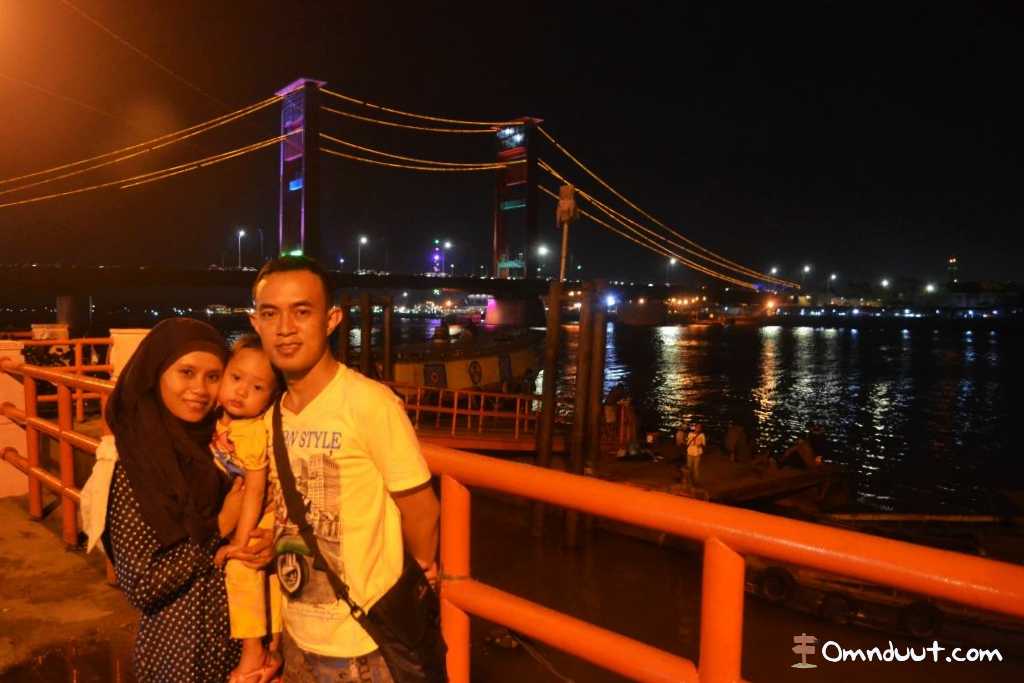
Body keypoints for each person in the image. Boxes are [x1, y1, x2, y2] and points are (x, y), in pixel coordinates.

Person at [248, 256, 440, 682]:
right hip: (297, 634)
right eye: (270, 314)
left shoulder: (369, 403)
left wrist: (416, 571)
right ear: (255, 323)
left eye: (302, 312)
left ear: (332, 319)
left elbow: (422, 509)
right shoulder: (274, 414)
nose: (285, 328)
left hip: (363, 642)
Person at [78, 318, 274, 683]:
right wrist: (220, 527)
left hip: (241, 653)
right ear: (156, 372)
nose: (199, 389)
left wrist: (265, 543)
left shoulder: (222, 444)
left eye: (213, 376)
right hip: (179, 655)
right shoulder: (132, 465)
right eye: (186, 372)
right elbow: (142, 585)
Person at [210, 335, 284, 683]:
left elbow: (255, 491)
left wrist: (238, 543)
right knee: (266, 577)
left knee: (243, 566)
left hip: (262, 512)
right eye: (236, 377)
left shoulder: (252, 432)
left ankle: (253, 651)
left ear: (270, 397)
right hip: (251, 509)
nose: (241, 391)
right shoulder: (222, 419)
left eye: (256, 387)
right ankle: (274, 646)